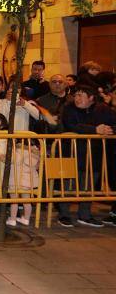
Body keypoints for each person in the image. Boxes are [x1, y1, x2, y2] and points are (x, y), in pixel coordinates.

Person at [57, 85, 116, 228]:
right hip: (71, 152)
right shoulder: (69, 108)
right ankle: (64, 214)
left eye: (81, 95)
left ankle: (85, 215)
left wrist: (109, 130)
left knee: (88, 186)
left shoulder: (102, 109)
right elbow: (72, 126)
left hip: (94, 154)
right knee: (68, 185)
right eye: (76, 95)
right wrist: (95, 130)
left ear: (91, 98)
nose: (76, 98)